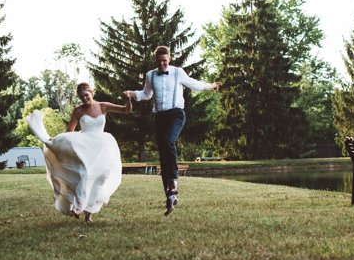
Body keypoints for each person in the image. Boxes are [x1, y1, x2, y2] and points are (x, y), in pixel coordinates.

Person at [123, 45, 221, 215]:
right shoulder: (150, 75)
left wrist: (210, 86)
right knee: (163, 155)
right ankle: (170, 197)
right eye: (159, 61)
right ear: (155, 61)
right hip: (160, 117)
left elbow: (194, 84)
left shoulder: (177, 72)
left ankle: (174, 180)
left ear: (169, 59)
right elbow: (147, 94)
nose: (162, 64)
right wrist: (132, 94)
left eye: (164, 61)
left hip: (176, 114)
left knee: (169, 141)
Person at [27, 82, 132, 223]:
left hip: (101, 147)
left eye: (86, 95)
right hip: (85, 148)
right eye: (81, 97)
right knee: (86, 174)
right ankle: (78, 206)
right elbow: (70, 131)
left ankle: (89, 213)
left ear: (92, 93)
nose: (84, 99)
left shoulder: (103, 106)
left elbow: (126, 110)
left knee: (101, 178)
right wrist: (58, 140)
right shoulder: (78, 111)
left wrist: (128, 99)